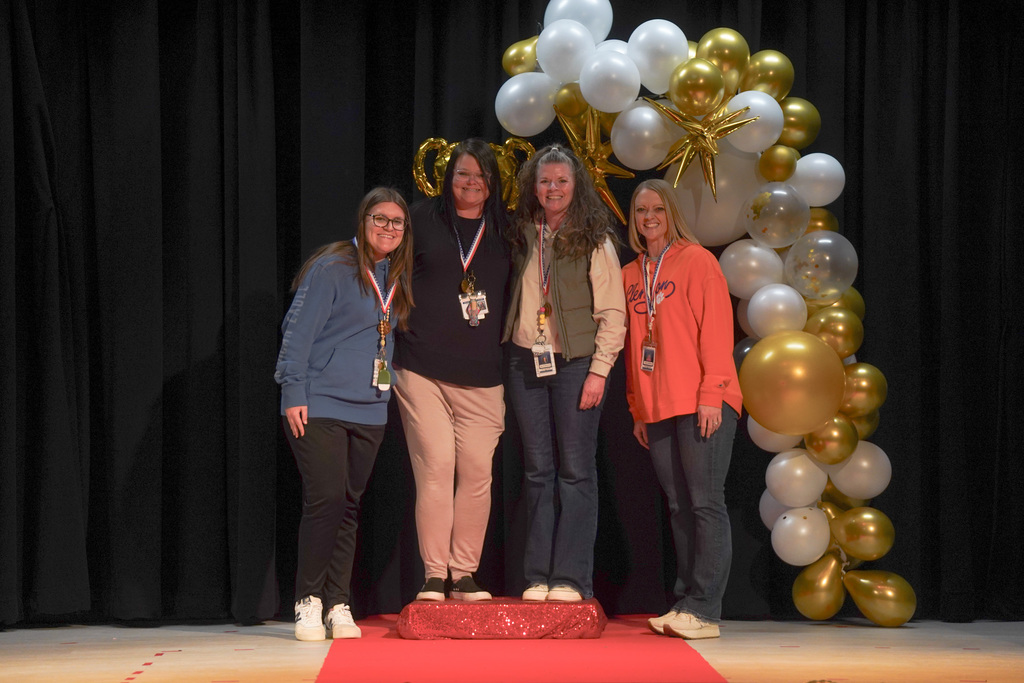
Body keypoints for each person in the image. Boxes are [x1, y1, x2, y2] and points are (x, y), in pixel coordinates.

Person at [275, 187, 413, 641]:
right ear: (363, 220)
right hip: (319, 404)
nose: (388, 228)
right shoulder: (332, 267)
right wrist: (293, 389)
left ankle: (338, 602)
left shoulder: (395, 275)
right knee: (326, 501)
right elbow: (296, 332)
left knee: (349, 507)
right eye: (380, 218)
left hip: (371, 408)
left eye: (397, 221)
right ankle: (307, 601)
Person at [502, 144, 627, 603]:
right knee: (537, 471)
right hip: (525, 361)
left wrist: (599, 372)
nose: (552, 189)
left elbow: (613, 313)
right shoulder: (521, 232)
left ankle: (571, 579)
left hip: (577, 365)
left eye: (561, 181)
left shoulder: (595, 237)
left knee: (575, 473)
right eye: (544, 181)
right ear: (532, 187)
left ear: (577, 186)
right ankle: (537, 576)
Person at [621, 179, 742, 640]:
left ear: (672, 213)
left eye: (657, 209)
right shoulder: (632, 273)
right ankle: (686, 600)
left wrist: (713, 393)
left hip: (702, 402)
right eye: (639, 211)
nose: (648, 217)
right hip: (658, 407)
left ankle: (706, 610)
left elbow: (716, 331)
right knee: (678, 506)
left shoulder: (697, 261)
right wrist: (637, 408)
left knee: (706, 503)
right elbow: (635, 347)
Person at [393, 139, 510, 602]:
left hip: (484, 375)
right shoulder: (421, 219)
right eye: (462, 174)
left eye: (480, 176)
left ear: (492, 184)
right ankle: (434, 575)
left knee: (478, 473)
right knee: (437, 467)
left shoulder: (506, 228)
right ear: (448, 177)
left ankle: (464, 574)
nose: (470, 183)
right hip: (421, 369)